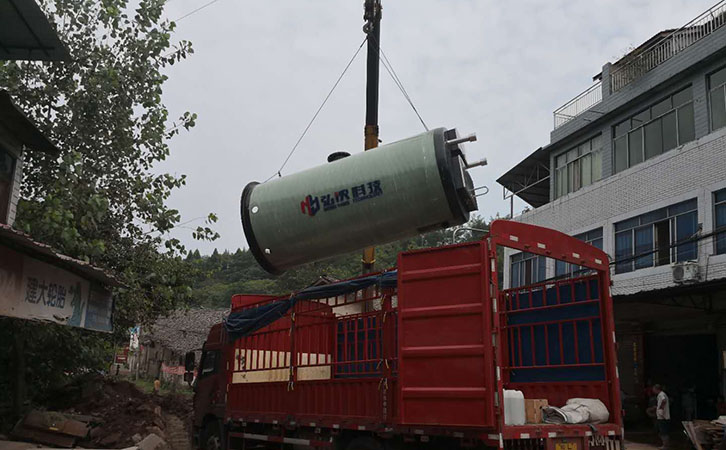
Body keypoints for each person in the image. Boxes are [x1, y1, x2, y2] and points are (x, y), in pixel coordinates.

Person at [653, 384, 670, 449]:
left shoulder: (661, 394)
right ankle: (665, 444)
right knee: (661, 431)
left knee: (663, 432)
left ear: (656, 389)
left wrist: (661, 409)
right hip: (661, 416)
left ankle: (665, 445)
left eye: (654, 389)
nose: (653, 390)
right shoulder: (661, 394)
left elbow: (664, 400)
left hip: (663, 417)